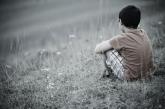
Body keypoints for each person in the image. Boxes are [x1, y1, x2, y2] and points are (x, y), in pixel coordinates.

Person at [95, 5, 155, 80]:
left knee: (106, 50)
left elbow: (97, 49)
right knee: (119, 50)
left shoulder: (122, 38)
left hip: (130, 77)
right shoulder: (143, 33)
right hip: (148, 73)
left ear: (120, 22)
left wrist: (105, 43)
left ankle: (111, 76)